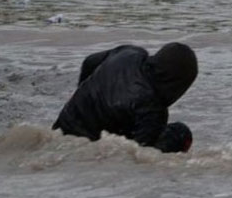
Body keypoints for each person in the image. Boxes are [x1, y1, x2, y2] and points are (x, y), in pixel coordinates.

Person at [52, 42, 198, 153]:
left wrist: (79, 93)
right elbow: (139, 153)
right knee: (181, 133)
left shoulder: (130, 53)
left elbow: (89, 61)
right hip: (87, 148)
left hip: (62, 127)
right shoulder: (152, 110)